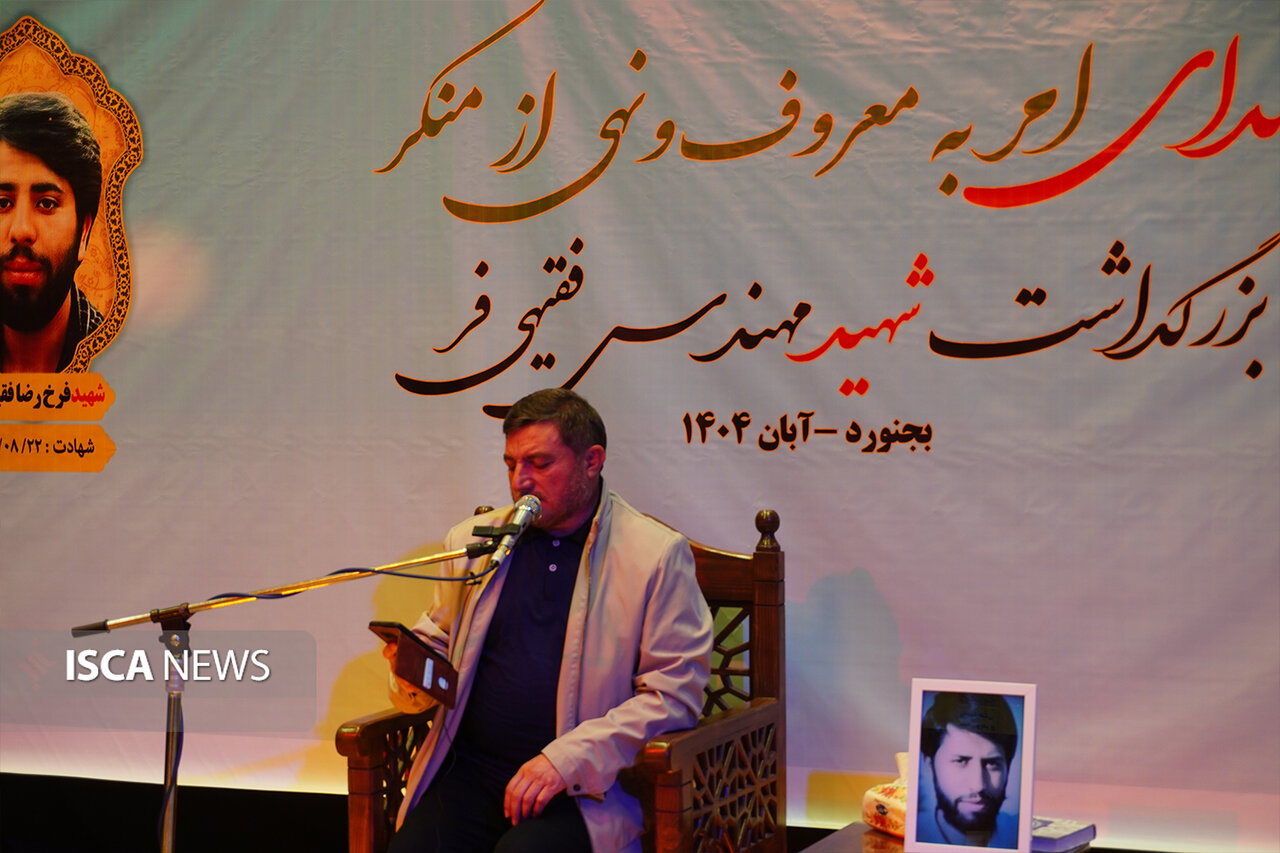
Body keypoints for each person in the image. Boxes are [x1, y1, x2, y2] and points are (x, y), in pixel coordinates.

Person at [383, 388, 713, 853]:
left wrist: (565, 760)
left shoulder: (654, 555)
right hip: (472, 771)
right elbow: (439, 637)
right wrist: (411, 670)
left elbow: (673, 696)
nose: (521, 481)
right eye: (511, 464)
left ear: (591, 461)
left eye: (540, 463)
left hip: (584, 788)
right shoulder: (476, 543)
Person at [0, 91, 103, 373]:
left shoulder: (126, 364)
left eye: (46, 203)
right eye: (2, 203)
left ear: (84, 231)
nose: (21, 230)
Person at [917, 692, 1020, 848]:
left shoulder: (1018, 834)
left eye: (992, 764)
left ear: (1008, 767)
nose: (978, 785)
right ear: (930, 765)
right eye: (960, 761)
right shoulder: (909, 835)